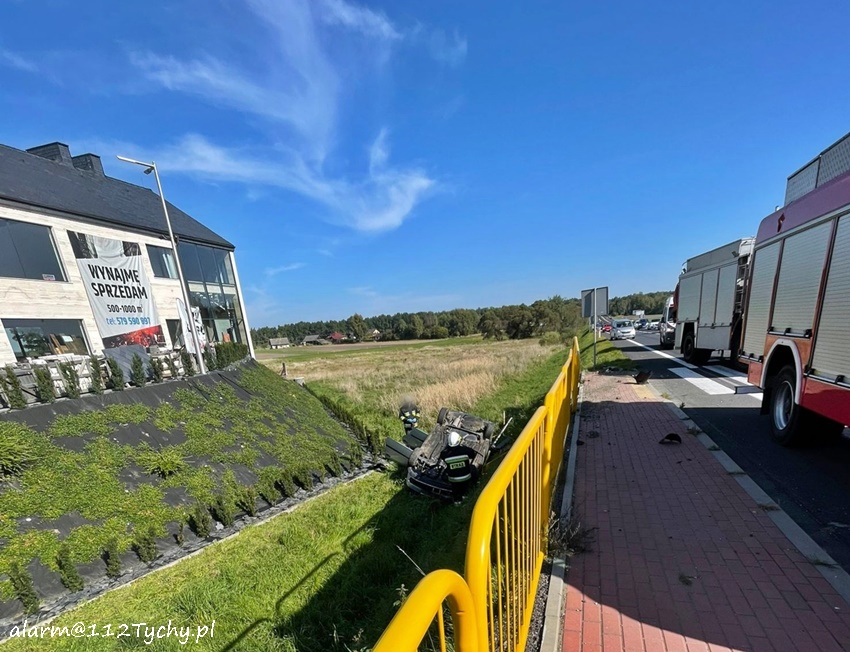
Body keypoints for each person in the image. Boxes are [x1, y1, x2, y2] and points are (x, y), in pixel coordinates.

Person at [440, 430, 477, 498]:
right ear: (459, 440)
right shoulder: (466, 450)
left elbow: (443, 457)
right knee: (473, 467)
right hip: (466, 478)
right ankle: (475, 484)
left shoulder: (444, 453)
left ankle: (457, 500)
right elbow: (472, 454)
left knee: (447, 470)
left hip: (453, 480)